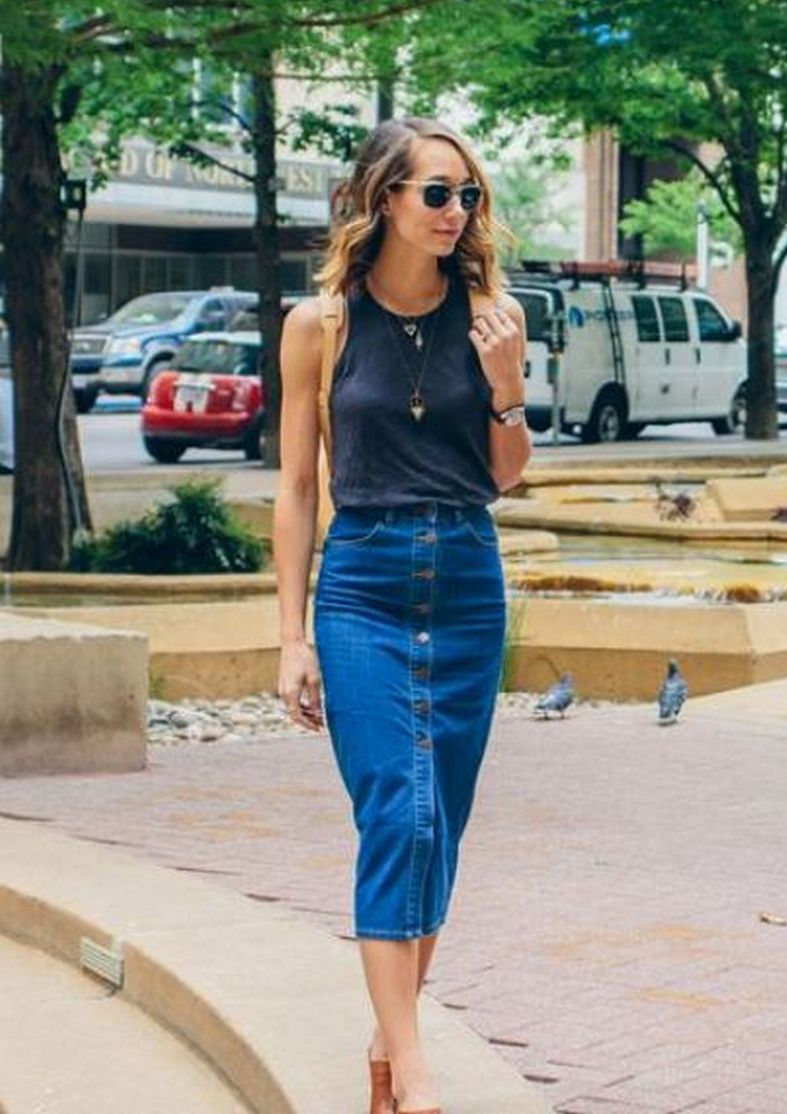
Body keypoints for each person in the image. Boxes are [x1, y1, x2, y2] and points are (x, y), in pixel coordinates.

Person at [274, 116, 530, 1114]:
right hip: (365, 583)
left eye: (466, 195)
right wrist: (292, 635)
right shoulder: (322, 325)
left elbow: (504, 476)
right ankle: (417, 1073)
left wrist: (506, 389)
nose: (455, 212)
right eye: (435, 192)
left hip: (467, 577)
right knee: (401, 812)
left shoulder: (493, 316)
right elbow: (298, 488)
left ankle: (389, 1048)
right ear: (384, 197)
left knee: (442, 828)